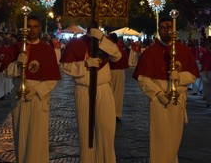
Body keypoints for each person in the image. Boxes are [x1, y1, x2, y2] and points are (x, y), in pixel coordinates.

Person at [133, 17, 199, 163]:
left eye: (169, 26)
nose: (166, 30)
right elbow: (143, 79)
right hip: (158, 101)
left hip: (178, 98)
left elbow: (193, 76)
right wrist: (157, 93)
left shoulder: (183, 50)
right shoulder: (151, 51)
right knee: (160, 139)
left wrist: (179, 77)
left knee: (174, 139)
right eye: (162, 27)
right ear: (158, 30)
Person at [0, 15, 61, 163]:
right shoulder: (15, 48)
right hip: (19, 96)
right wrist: (17, 63)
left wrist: (36, 90)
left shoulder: (47, 50)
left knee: (37, 135)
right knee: (20, 132)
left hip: (38, 97)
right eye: (29, 27)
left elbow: (52, 79)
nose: (32, 30)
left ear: (39, 28)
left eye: (35, 26)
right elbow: (6, 72)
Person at [60, 28, 121, 163]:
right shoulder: (76, 43)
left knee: (107, 129)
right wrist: (85, 64)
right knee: (85, 131)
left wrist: (102, 39)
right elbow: (65, 66)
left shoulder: (105, 42)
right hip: (83, 89)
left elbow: (117, 56)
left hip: (103, 88)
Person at [109, 33, 129, 122]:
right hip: (120, 72)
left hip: (110, 71)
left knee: (110, 93)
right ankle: (116, 113)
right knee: (118, 93)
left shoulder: (109, 49)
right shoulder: (121, 50)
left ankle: (109, 112)